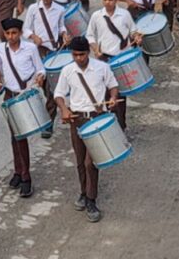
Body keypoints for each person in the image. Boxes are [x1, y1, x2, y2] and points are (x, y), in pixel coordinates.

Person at [53, 37, 121, 223]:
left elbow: (113, 85)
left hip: (97, 119)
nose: (79, 58)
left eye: (82, 54)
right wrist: (64, 109)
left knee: (91, 162)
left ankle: (91, 199)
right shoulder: (67, 71)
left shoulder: (102, 67)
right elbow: (58, 94)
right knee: (80, 161)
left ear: (88, 53)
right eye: (75, 55)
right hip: (77, 119)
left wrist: (113, 98)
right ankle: (83, 192)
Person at [0, 18, 46, 197]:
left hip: (26, 94)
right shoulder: (1, 49)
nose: (11, 36)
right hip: (10, 95)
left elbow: (40, 69)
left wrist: (40, 77)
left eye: (14, 33)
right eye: (7, 33)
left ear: (20, 33)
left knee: (21, 136)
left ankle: (26, 177)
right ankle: (19, 171)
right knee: (15, 136)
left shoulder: (30, 48)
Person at [85, 0, 141, 127]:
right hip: (103, 59)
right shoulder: (96, 16)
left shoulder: (125, 15)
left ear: (116, 0)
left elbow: (133, 31)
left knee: (120, 93)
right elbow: (89, 35)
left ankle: (121, 125)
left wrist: (137, 37)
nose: (107, 2)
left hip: (121, 59)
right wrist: (95, 49)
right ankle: (107, 124)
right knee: (103, 92)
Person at [23, 0, 68, 137]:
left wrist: (64, 34)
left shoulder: (60, 9)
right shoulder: (33, 9)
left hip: (54, 51)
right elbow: (25, 29)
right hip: (39, 51)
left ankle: (48, 122)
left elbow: (61, 26)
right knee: (43, 86)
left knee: (51, 88)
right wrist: (33, 36)